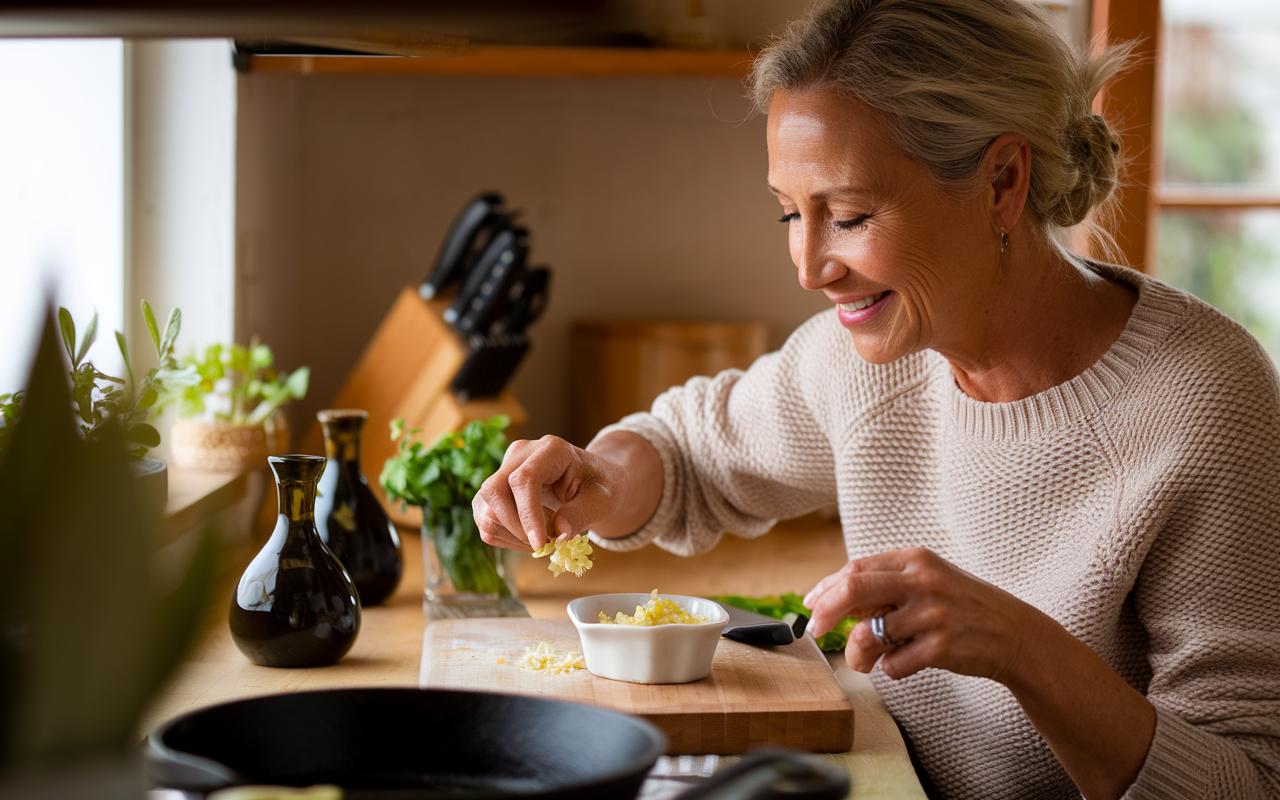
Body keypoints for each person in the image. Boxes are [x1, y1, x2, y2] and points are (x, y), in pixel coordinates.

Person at [472, 1, 1280, 797]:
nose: (809, 265)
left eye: (850, 215)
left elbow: (1248, 780)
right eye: (792, 212)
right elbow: (691, 454)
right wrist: (596, 478)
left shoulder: (1204, 403)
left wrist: (1023, 649)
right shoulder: (863, 360)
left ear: (1002, 182)